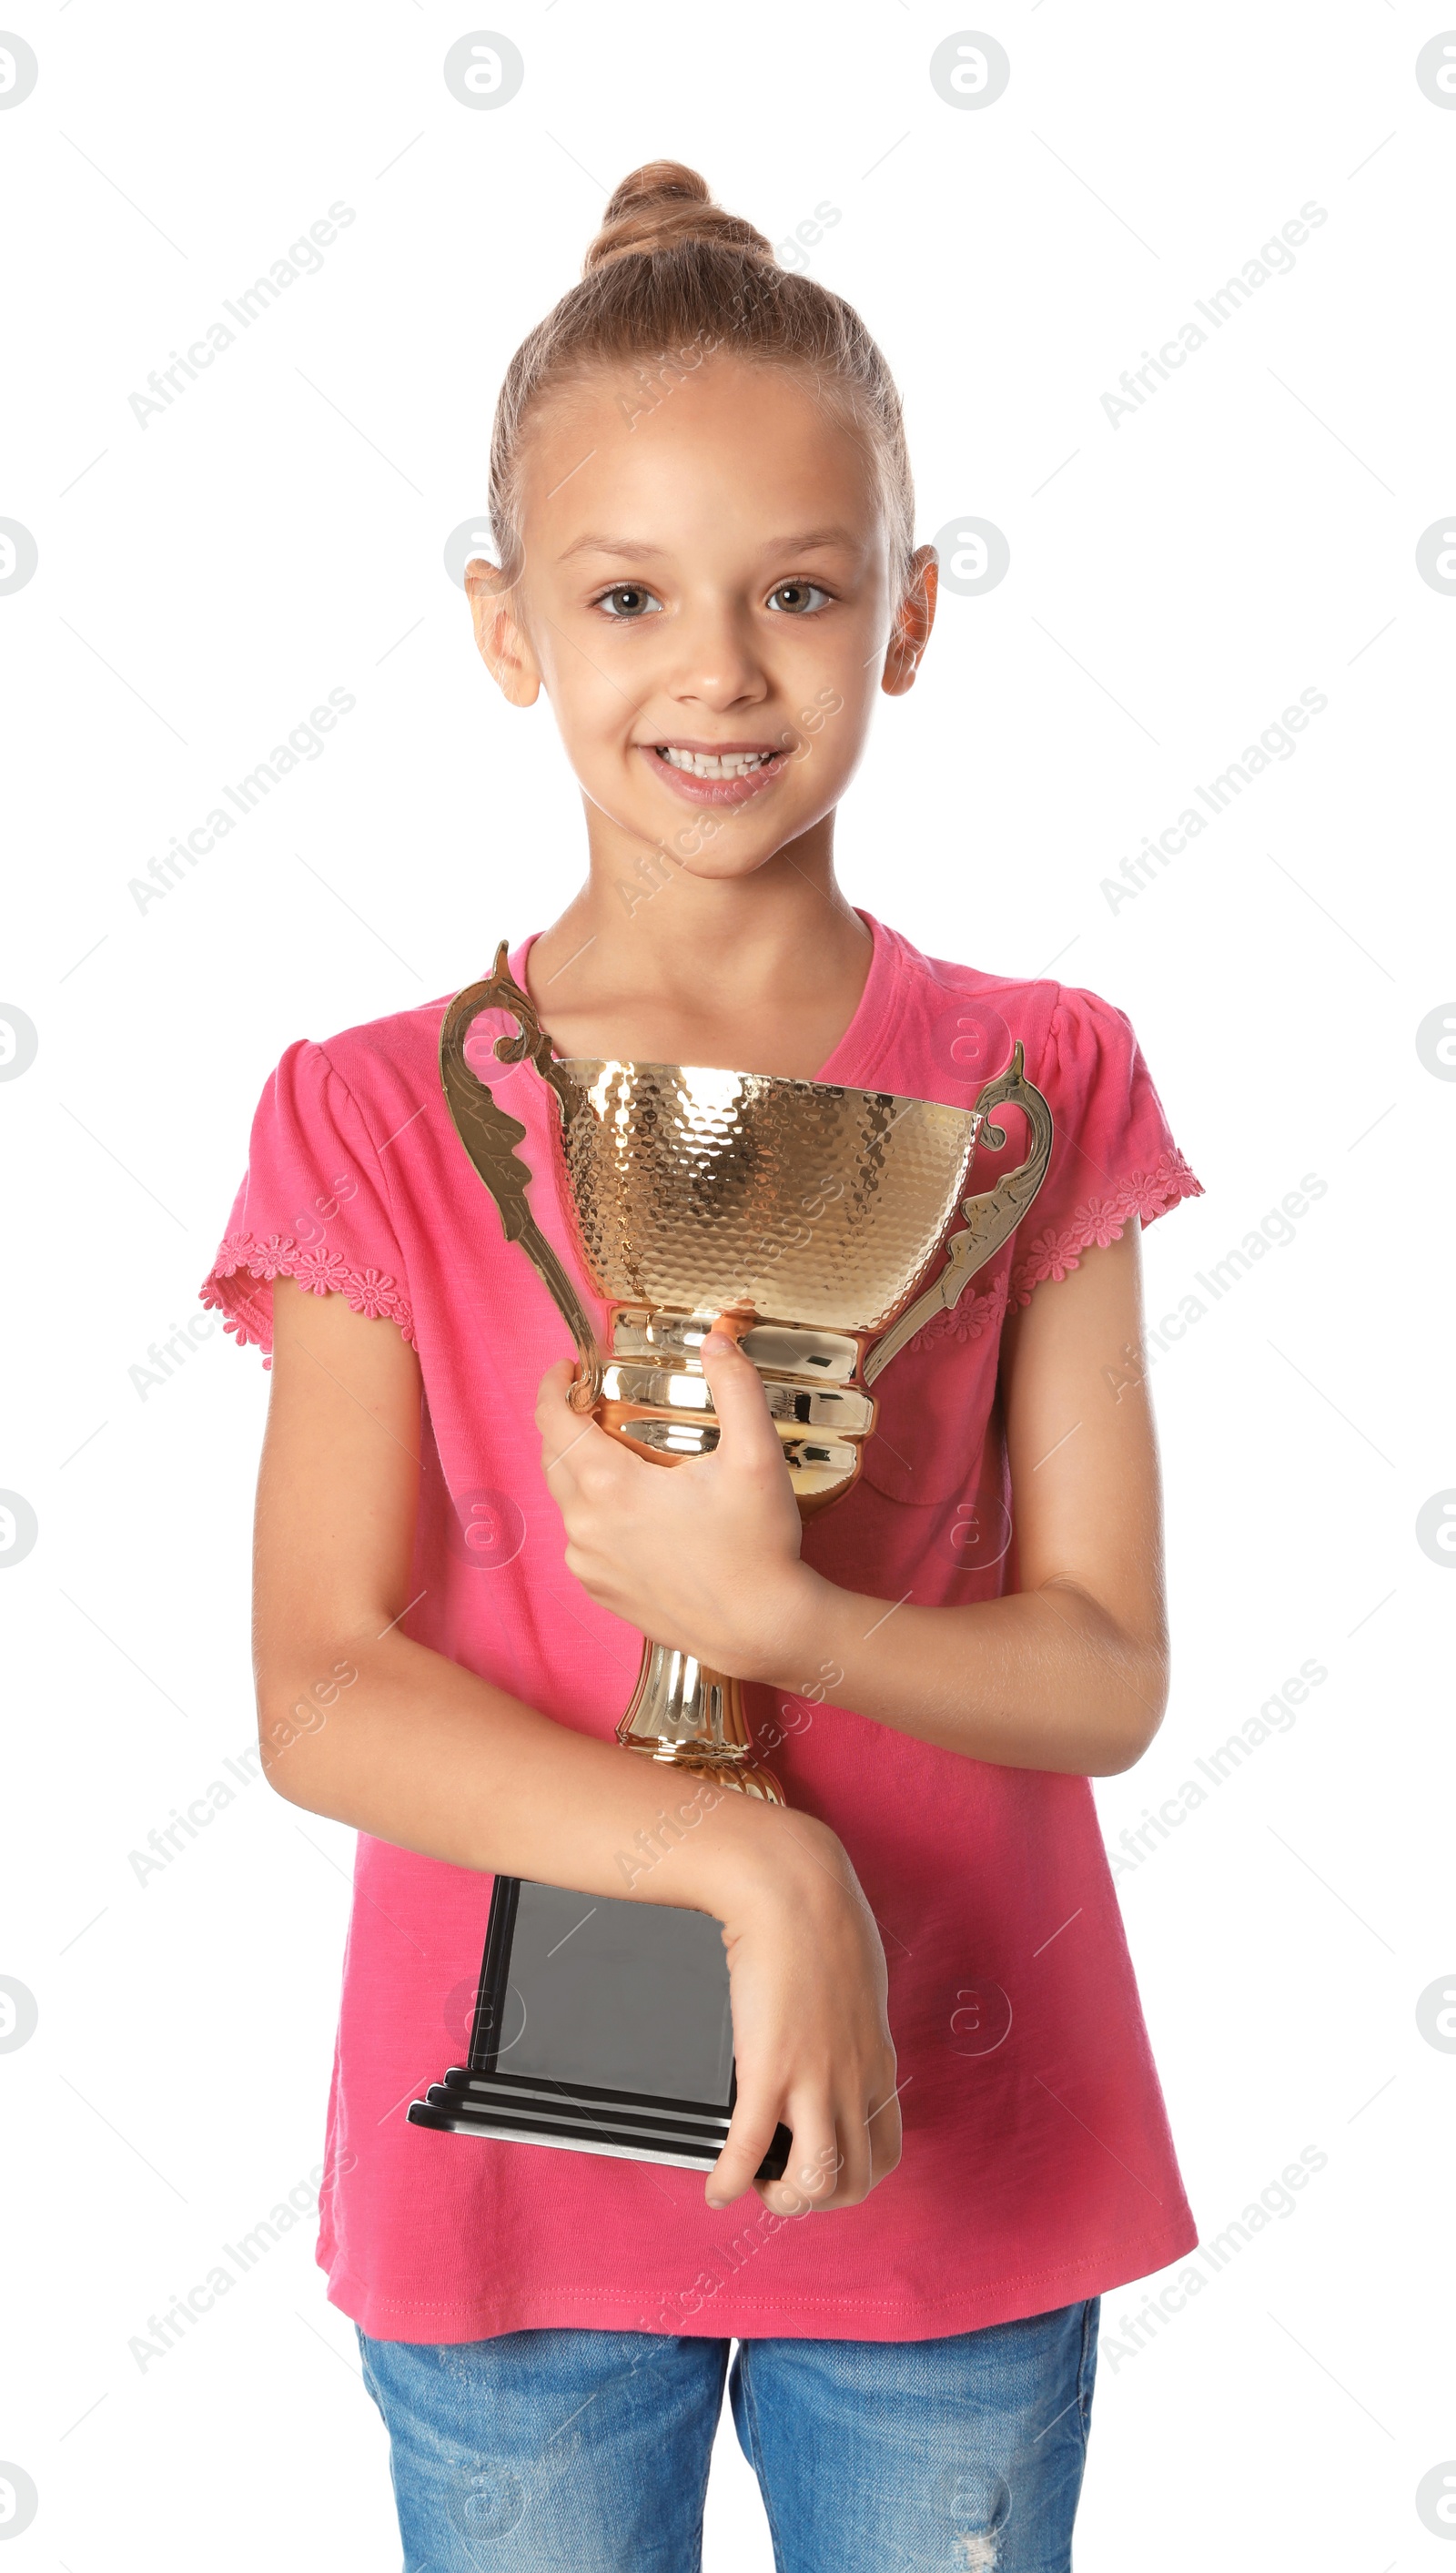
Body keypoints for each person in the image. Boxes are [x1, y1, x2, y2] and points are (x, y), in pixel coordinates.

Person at [203, 161, 1202, 2573]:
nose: (720, 672)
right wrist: (758, 1866)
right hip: (515, 2181)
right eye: (628, 596)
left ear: (914, 614)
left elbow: (1106, 1670)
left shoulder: (1037, 1076)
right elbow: (320, 1691)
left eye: (801, 591)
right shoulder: (373, 1103)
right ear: (506, 627)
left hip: (957, 2138)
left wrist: (784, 1629)